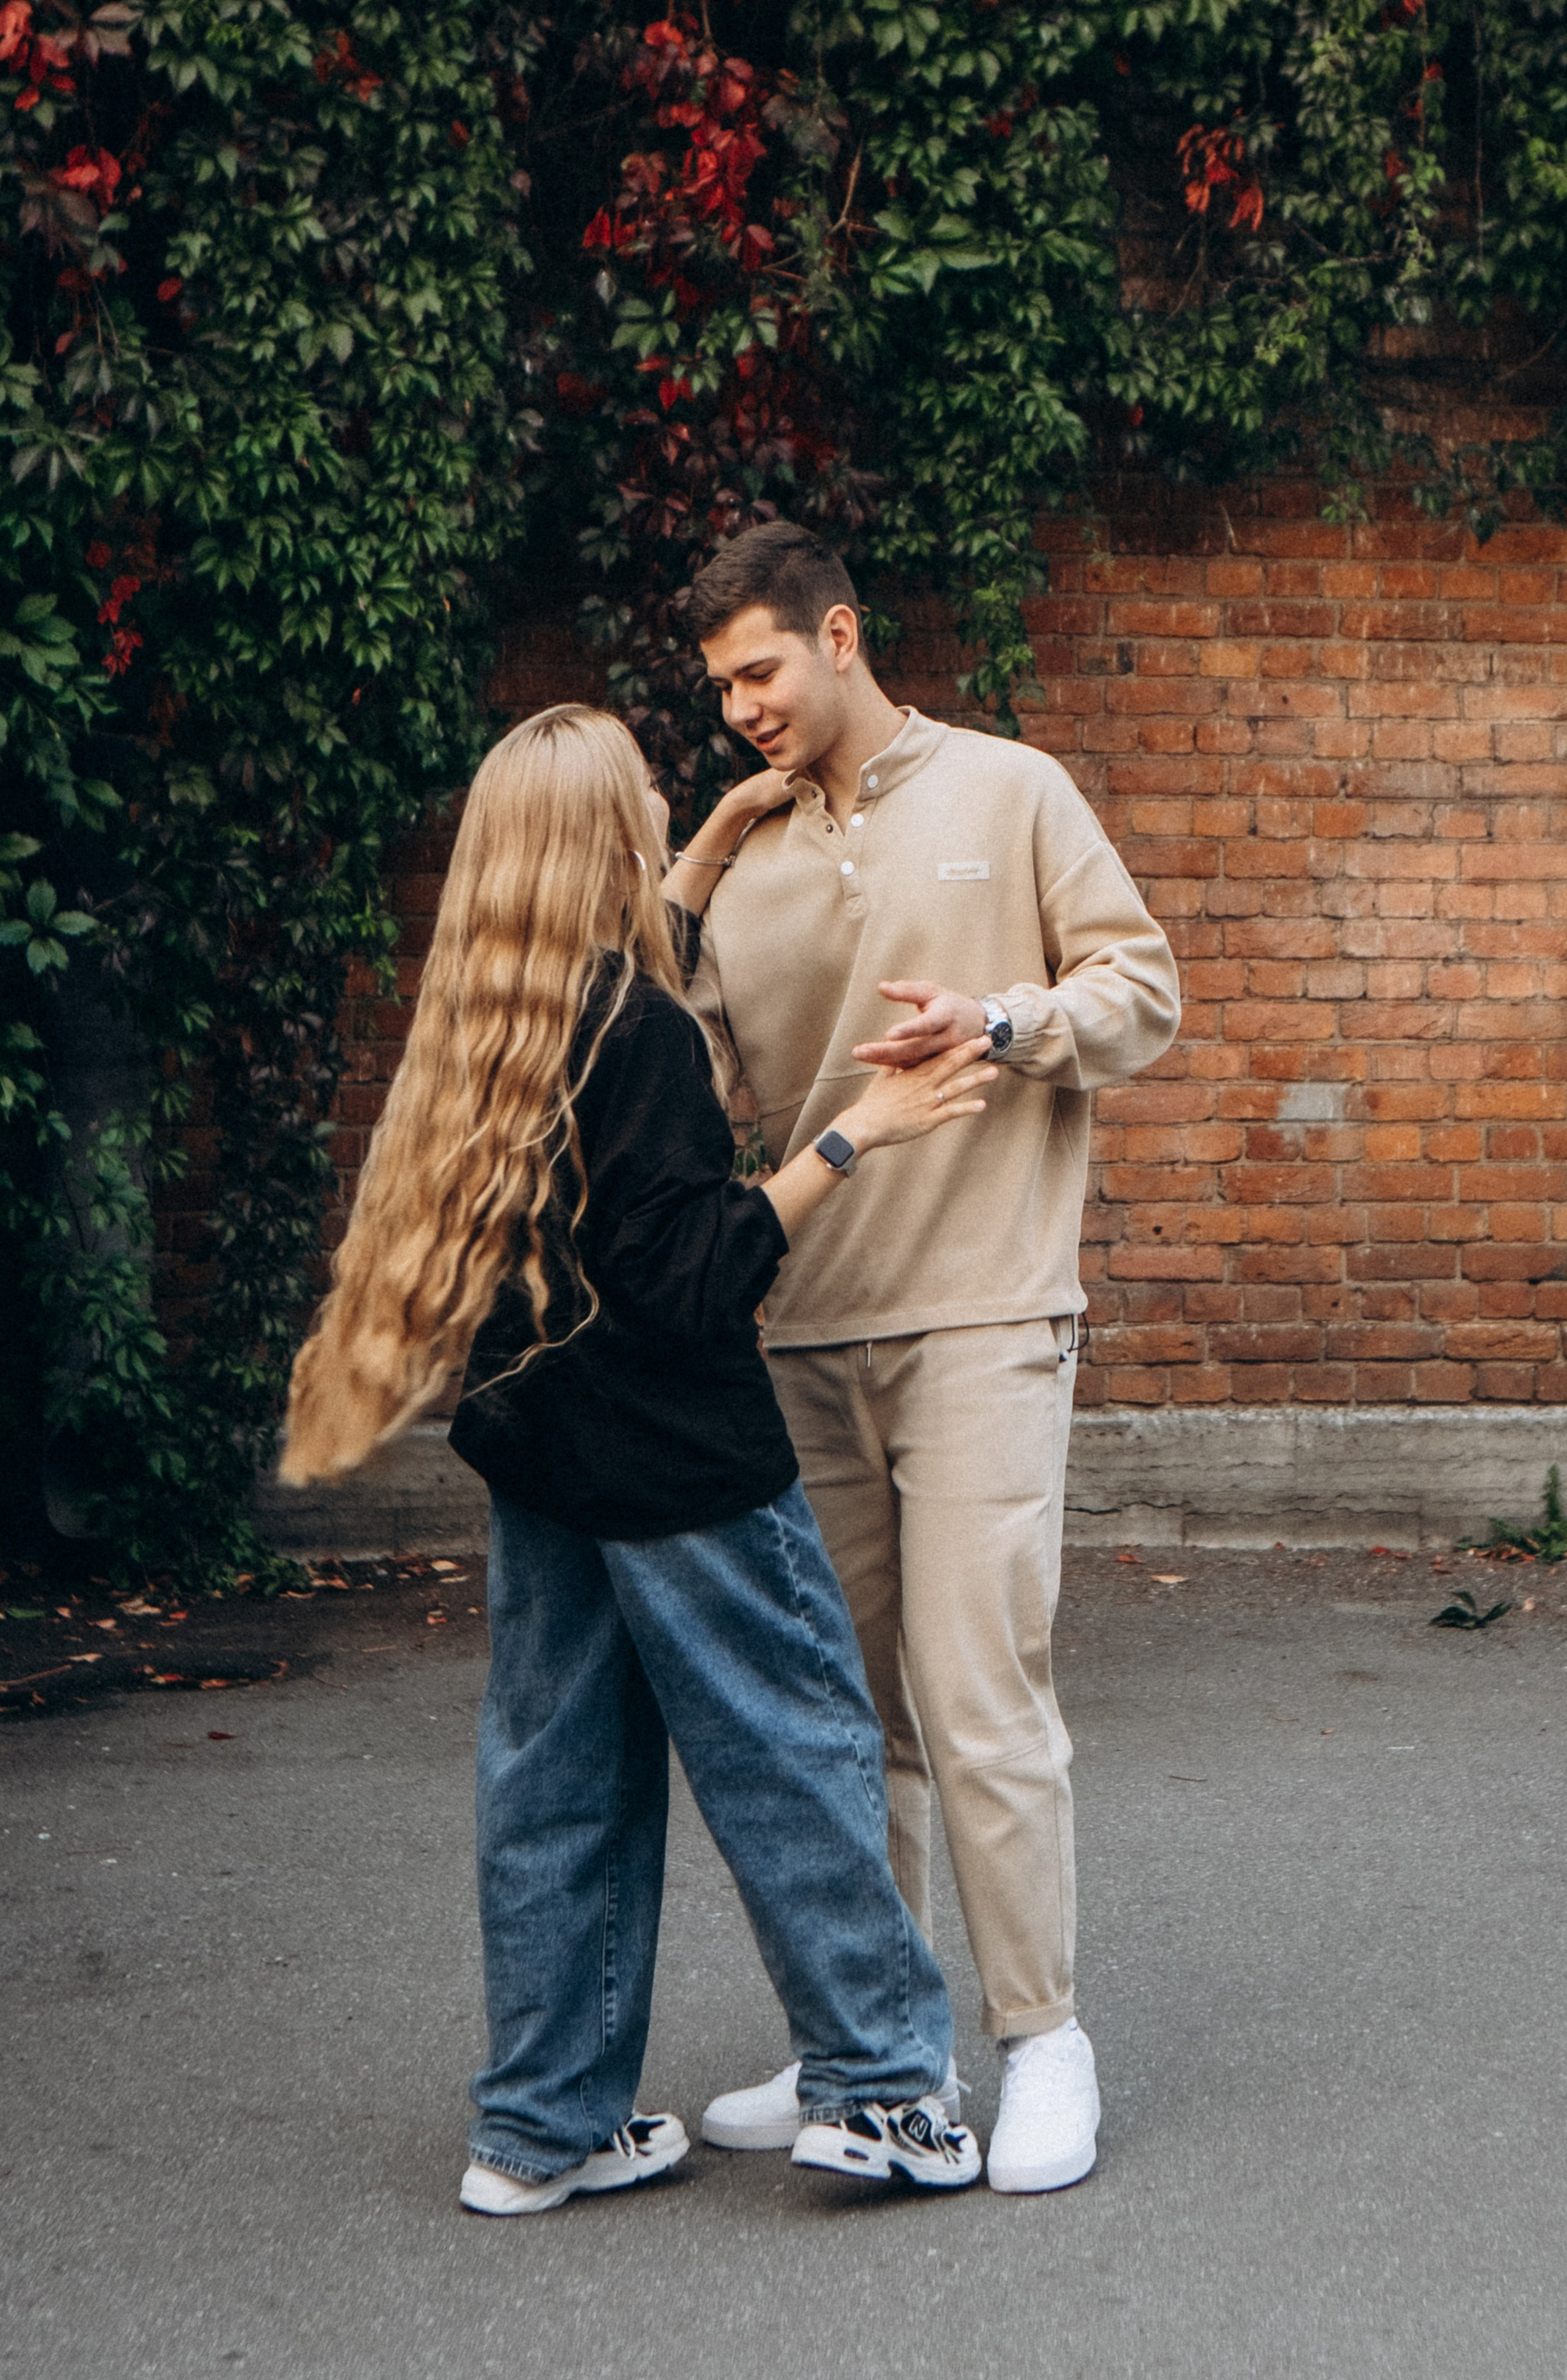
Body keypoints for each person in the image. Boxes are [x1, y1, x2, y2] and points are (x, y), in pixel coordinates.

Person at [279, 702, 1001, 2210]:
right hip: (680, 1467)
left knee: (559, 1789)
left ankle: (541, 2129)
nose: (673, 796)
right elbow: (691, 1272)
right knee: (797, 1758)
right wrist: (869, 1126)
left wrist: (712, 848)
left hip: (547, 1463)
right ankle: (882, 2091)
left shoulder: (493, 1022)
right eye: (649, 796)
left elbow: (612, 1051)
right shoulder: (649, 1033)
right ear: (604, 836)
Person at [672, 523, 1182, 2194]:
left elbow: (1141, 988)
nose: (740, 706)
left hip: (979, 1312)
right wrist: (685, 877)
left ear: (836, 633)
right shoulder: (737, 854)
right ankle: (876, 2044)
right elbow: (686, 1091)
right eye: (721, 686)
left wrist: (1007, 1022)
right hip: (801, 1323)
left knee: (978, 1702)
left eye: (758, 670)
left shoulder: (1008, 787)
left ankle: (1042, 2041)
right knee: (839, 1720)